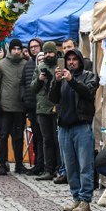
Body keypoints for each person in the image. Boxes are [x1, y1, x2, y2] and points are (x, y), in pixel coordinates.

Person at [49, 48, 98, 211]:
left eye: (74, 59)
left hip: (82, 126)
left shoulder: (89, 76)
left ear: (79, 61)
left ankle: (85, 201)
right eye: (68, 59)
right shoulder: (61, 78)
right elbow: (53, 99)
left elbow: (88, 92)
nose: (71, 62)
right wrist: (56, 82)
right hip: (64, 127)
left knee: (85, 165)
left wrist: (72, 81)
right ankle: (76, 198)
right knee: (70, 167)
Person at [0, 38, 28, 175]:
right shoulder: (0, 65)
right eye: (14, 49)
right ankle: (3, 163)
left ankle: (19, 164)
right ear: (9, 50)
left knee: (18, 137)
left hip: (20, 107)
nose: (16, 51)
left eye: (18, 49)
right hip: (4, 107)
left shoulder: (26, 64)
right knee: (3, 136)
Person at [33, 42, 60, 182]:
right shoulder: (39, 68)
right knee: (46, 140)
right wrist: (39, 80)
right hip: (42, 108)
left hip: (56, 108)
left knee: (57, 140)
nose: (49, 55)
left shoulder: (60, 67)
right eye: (47, 52)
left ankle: (59, 169)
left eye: (51, 52)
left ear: (55, 53)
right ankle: (48, 169)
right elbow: (32, 88)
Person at [21, 38, 45, 176]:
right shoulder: (28, 65)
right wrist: (24, 98)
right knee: (36, 137)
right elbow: (23, 83)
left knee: (44, 137)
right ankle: (37, 163)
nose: (34, 49)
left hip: (43, 107)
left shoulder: (45, 63)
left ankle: (44, 165)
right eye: (31, 47)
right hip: (31, 107)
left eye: (36, 46)